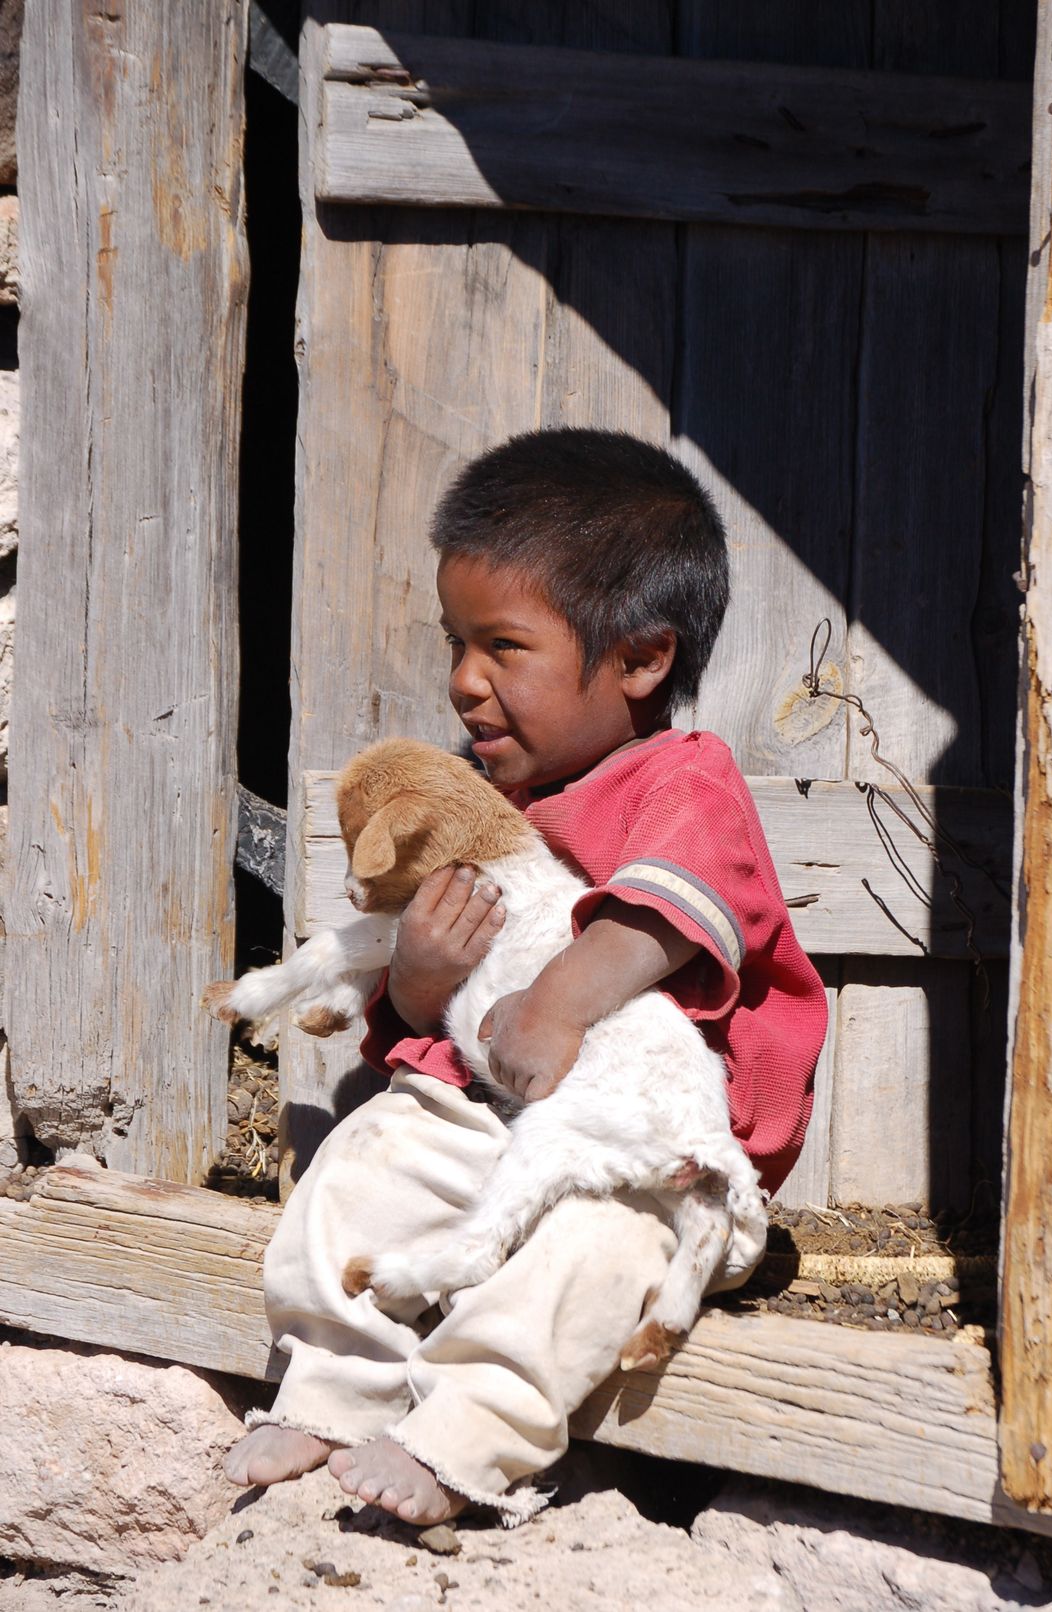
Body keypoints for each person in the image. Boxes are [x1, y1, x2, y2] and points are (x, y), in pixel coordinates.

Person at [224, 430, 828, 1526]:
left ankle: (466, 1434)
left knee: (589, 1257)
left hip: (650, 1166)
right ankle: (332, 1383)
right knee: (361, 1160)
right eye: (456, 643)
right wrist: (417, 976)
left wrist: (554, 1004)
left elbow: (672, 908)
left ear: (643, 660)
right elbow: (433, 1016)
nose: (464, 682)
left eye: (504, 647)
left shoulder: (682, 784)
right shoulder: (481, 808)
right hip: (489, 1124)